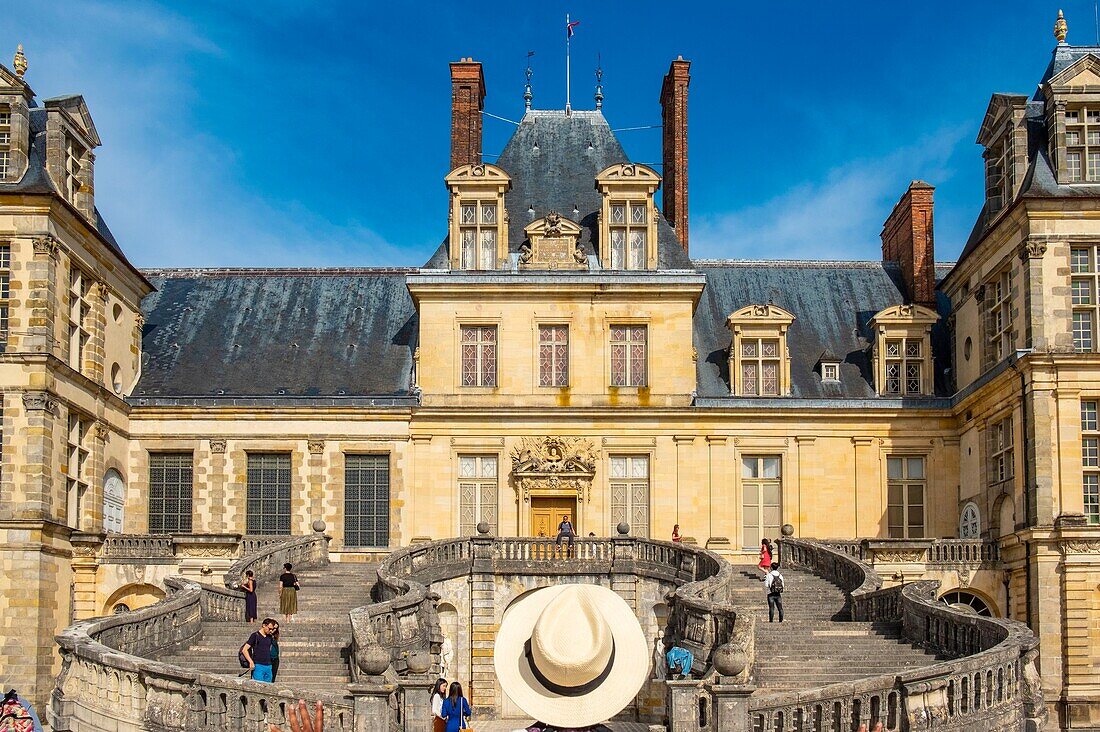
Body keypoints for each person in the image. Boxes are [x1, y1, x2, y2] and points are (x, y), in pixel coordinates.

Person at [242, 618, 279, 682]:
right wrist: (251, 662)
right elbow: (244, 649)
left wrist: (274, 626)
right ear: (264, 625)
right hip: (258, 665)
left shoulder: (270, 637)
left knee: (268, 688)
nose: (270, 631)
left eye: (272, 629)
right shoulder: (255, 635)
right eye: (269, 628)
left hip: (269, 666)